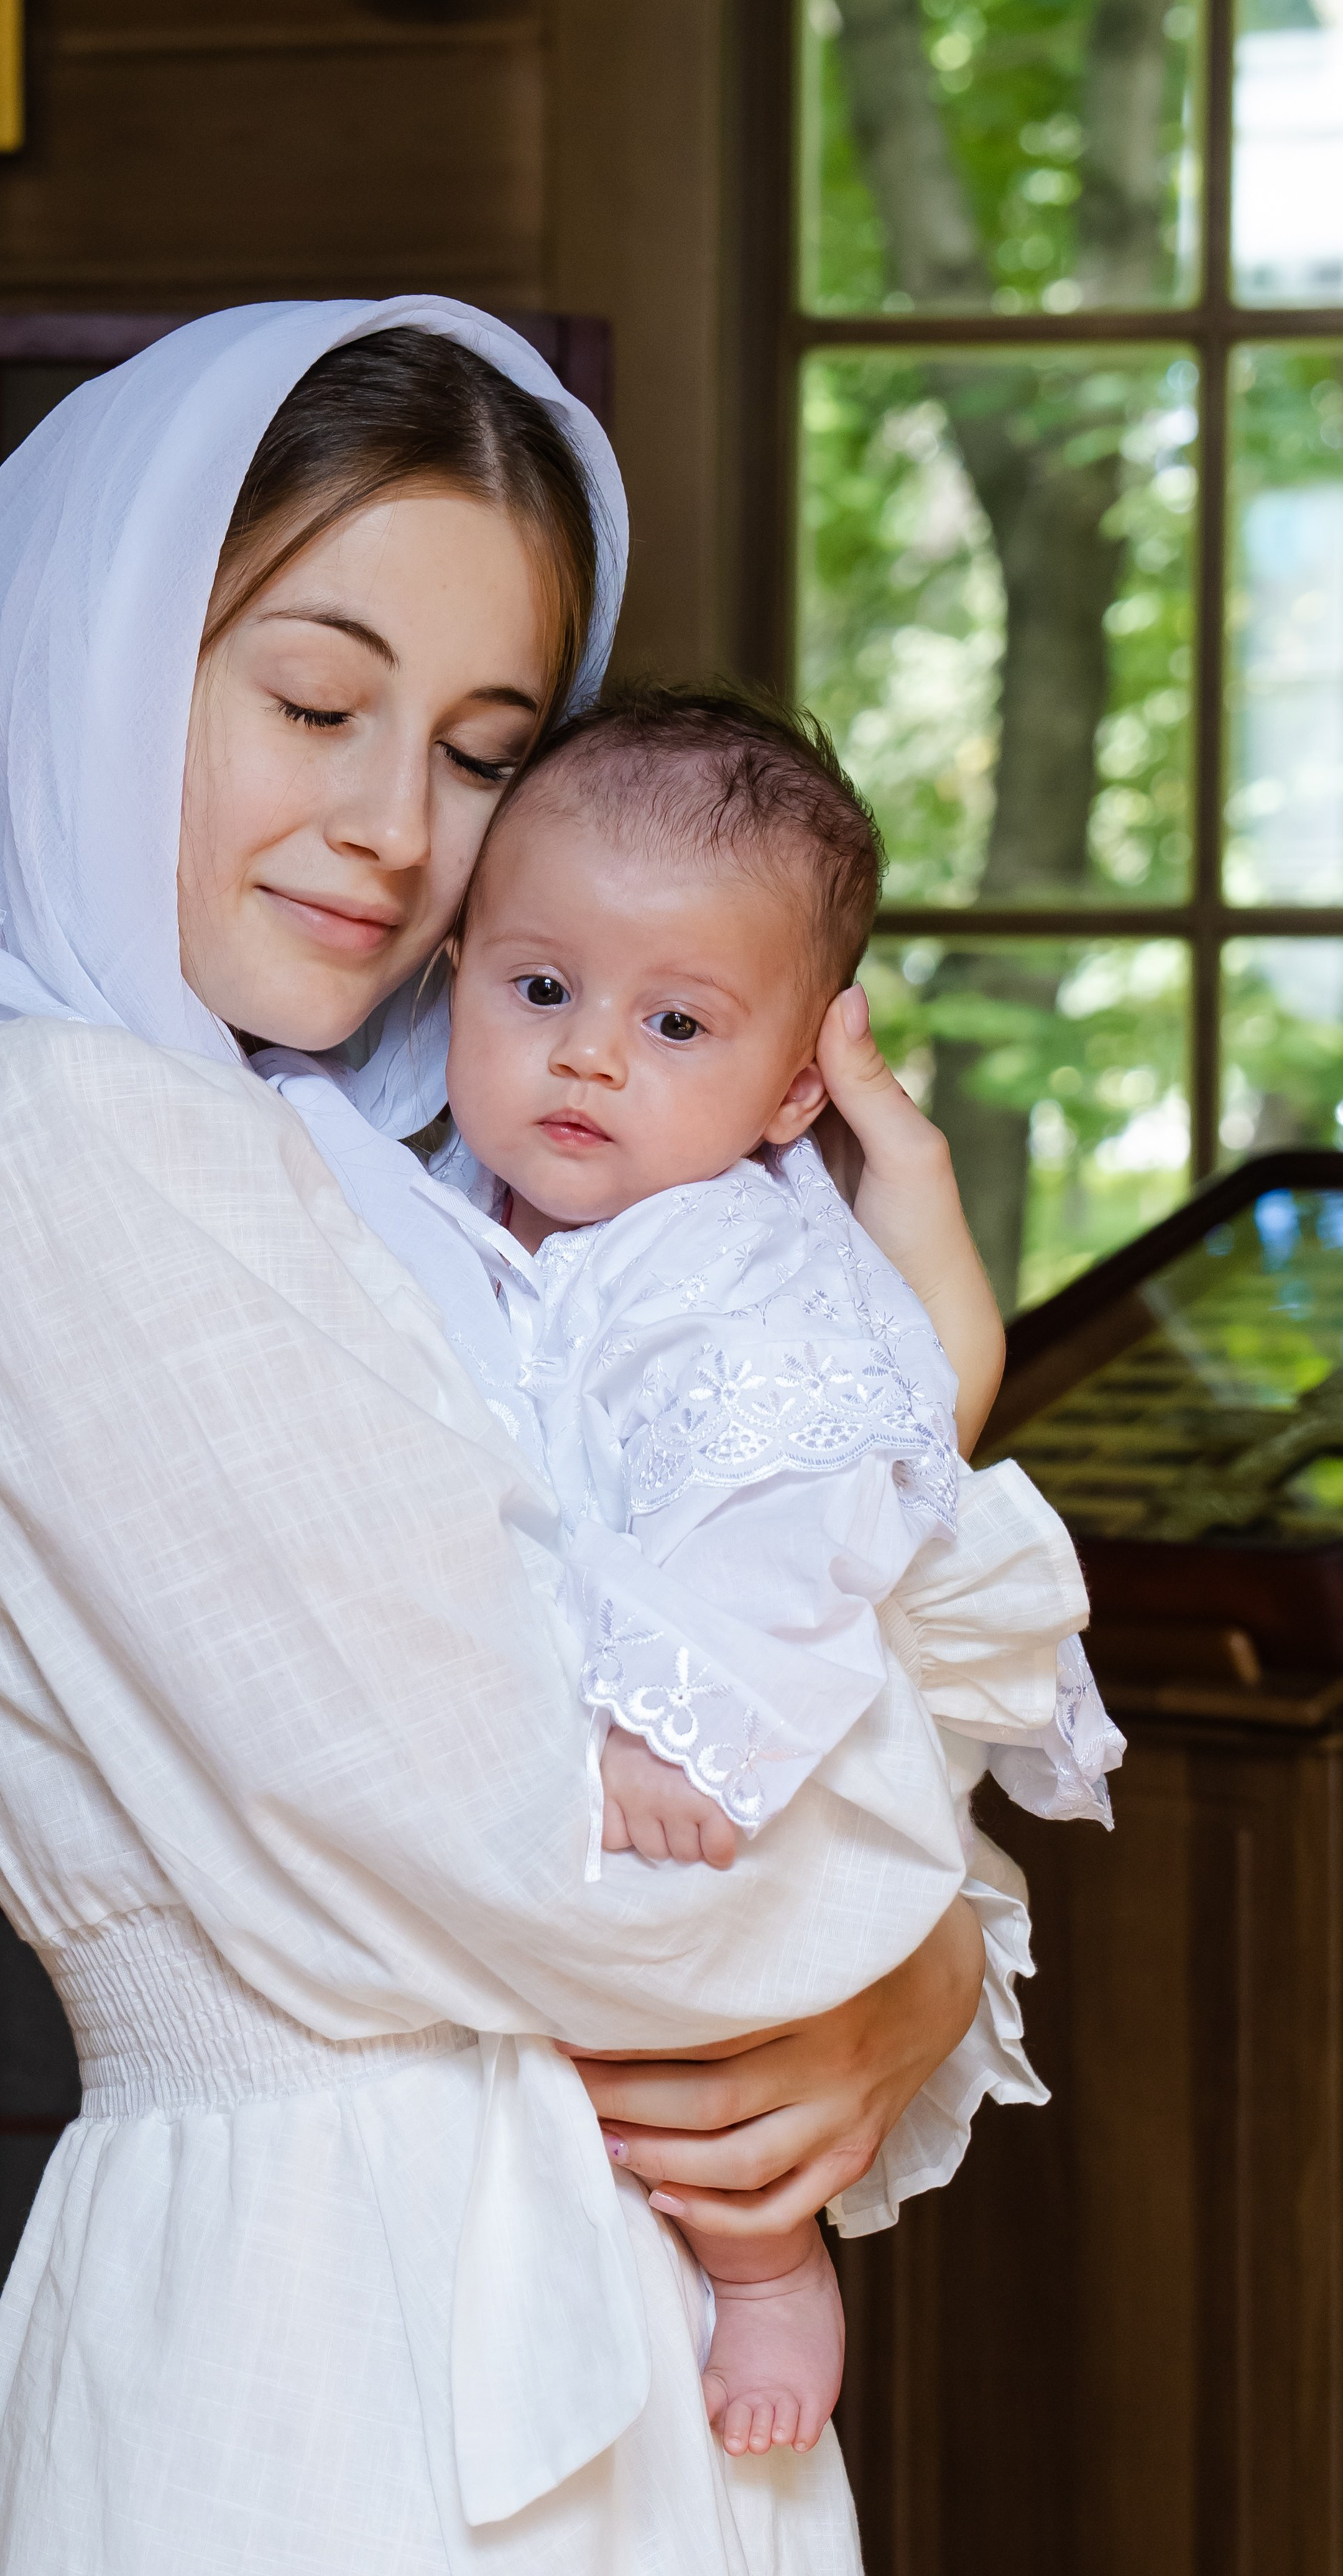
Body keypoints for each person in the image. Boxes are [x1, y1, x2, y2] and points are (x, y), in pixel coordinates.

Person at [0, 300, 1065, 2574]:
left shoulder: (403, 1175)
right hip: (337, 2365)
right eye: (311, 702)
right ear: (105, 656)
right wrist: (913, 1931)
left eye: (480, 752)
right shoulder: (35, 1144)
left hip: (582, 2321)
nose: (395, 831)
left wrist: (892, 1936)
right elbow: (559, 1851)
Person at [365, 676, 1116, 2461]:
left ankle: (769, 2259)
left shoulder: (736, 1268)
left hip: (735, 1717)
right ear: (455, 972)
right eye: (537, 989)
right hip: (569, 1698)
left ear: (796, 1090)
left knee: (705, 1979)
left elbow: (793, 1522)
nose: (589, 1053)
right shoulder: (463, 1212)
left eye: (676, 1021)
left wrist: (672, 1727)